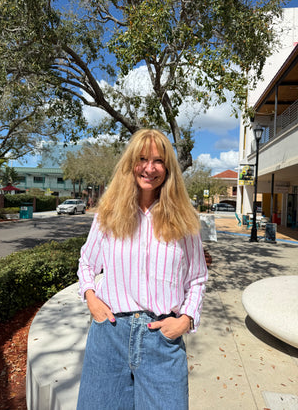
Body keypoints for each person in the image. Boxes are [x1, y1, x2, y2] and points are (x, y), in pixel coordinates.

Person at [76, 129, 208, 410]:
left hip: (162, 341)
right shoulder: (108, 214)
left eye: (158, 161)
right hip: (110, 336)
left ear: (168, 168)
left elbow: (197, 278)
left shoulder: (185, 220)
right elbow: (87, 261)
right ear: (130, 164)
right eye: (142, 159)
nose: (150, 168)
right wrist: (91, 298)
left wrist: (185, 320)